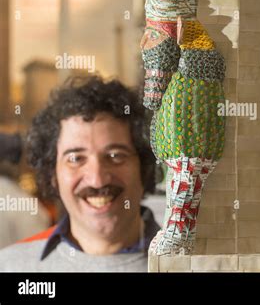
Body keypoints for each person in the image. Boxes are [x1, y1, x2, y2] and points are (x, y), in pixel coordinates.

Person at [0, 76, 160, 272]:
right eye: (76, 158)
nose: (97, 179)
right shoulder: (9, 267)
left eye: (115, 155)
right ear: (53, 175)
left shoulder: (196, 264)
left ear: (144, 167)